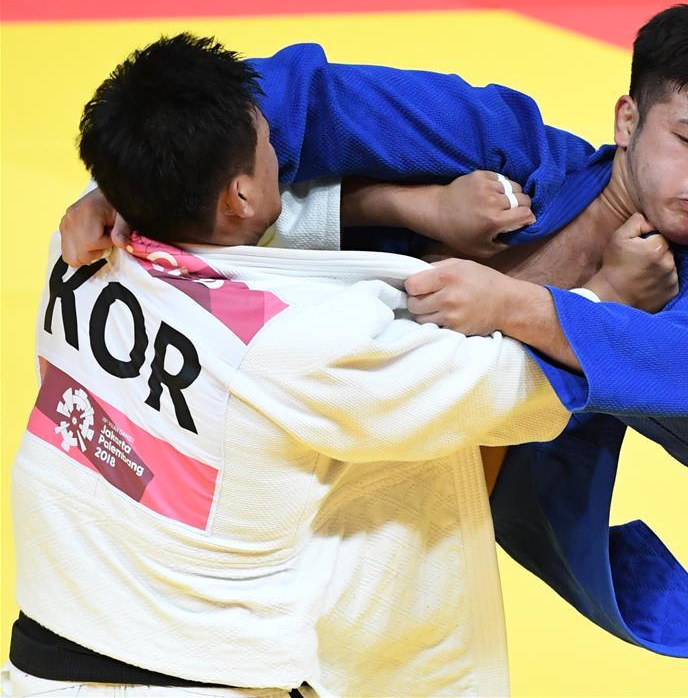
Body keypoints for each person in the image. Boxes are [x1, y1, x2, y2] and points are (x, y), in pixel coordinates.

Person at [55, 1, 688, 661]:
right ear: (628, 120)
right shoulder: (509, 144)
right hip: (270, 462)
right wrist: (129, 182)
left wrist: (518, 305)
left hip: (414, 533)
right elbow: (308, 94)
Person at [6, 35, 595, 698]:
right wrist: (609, 297)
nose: (280, 155)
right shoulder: (289, 340)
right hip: (198, 680)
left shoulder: (75, 247)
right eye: (267, 147)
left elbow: (252, 242)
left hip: (41, 665)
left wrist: (416, 207)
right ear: (238, 196)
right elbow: (506, 390)